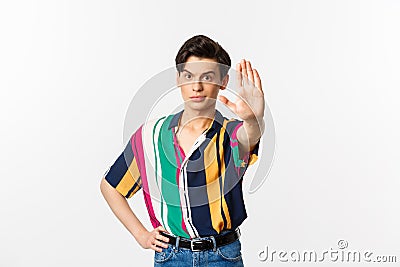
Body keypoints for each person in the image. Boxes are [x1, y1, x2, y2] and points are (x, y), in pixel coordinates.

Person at [100, 34, 265, 266]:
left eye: (207, 77)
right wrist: (141, 235)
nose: (196, 87)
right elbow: (111, 187)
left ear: (223, 82)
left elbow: (250, 134)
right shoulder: (150, 135)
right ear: (178, 79)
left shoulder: (230, 133)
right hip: (171, 257)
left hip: (222, 257)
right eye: (188, 76)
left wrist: (255, 118)